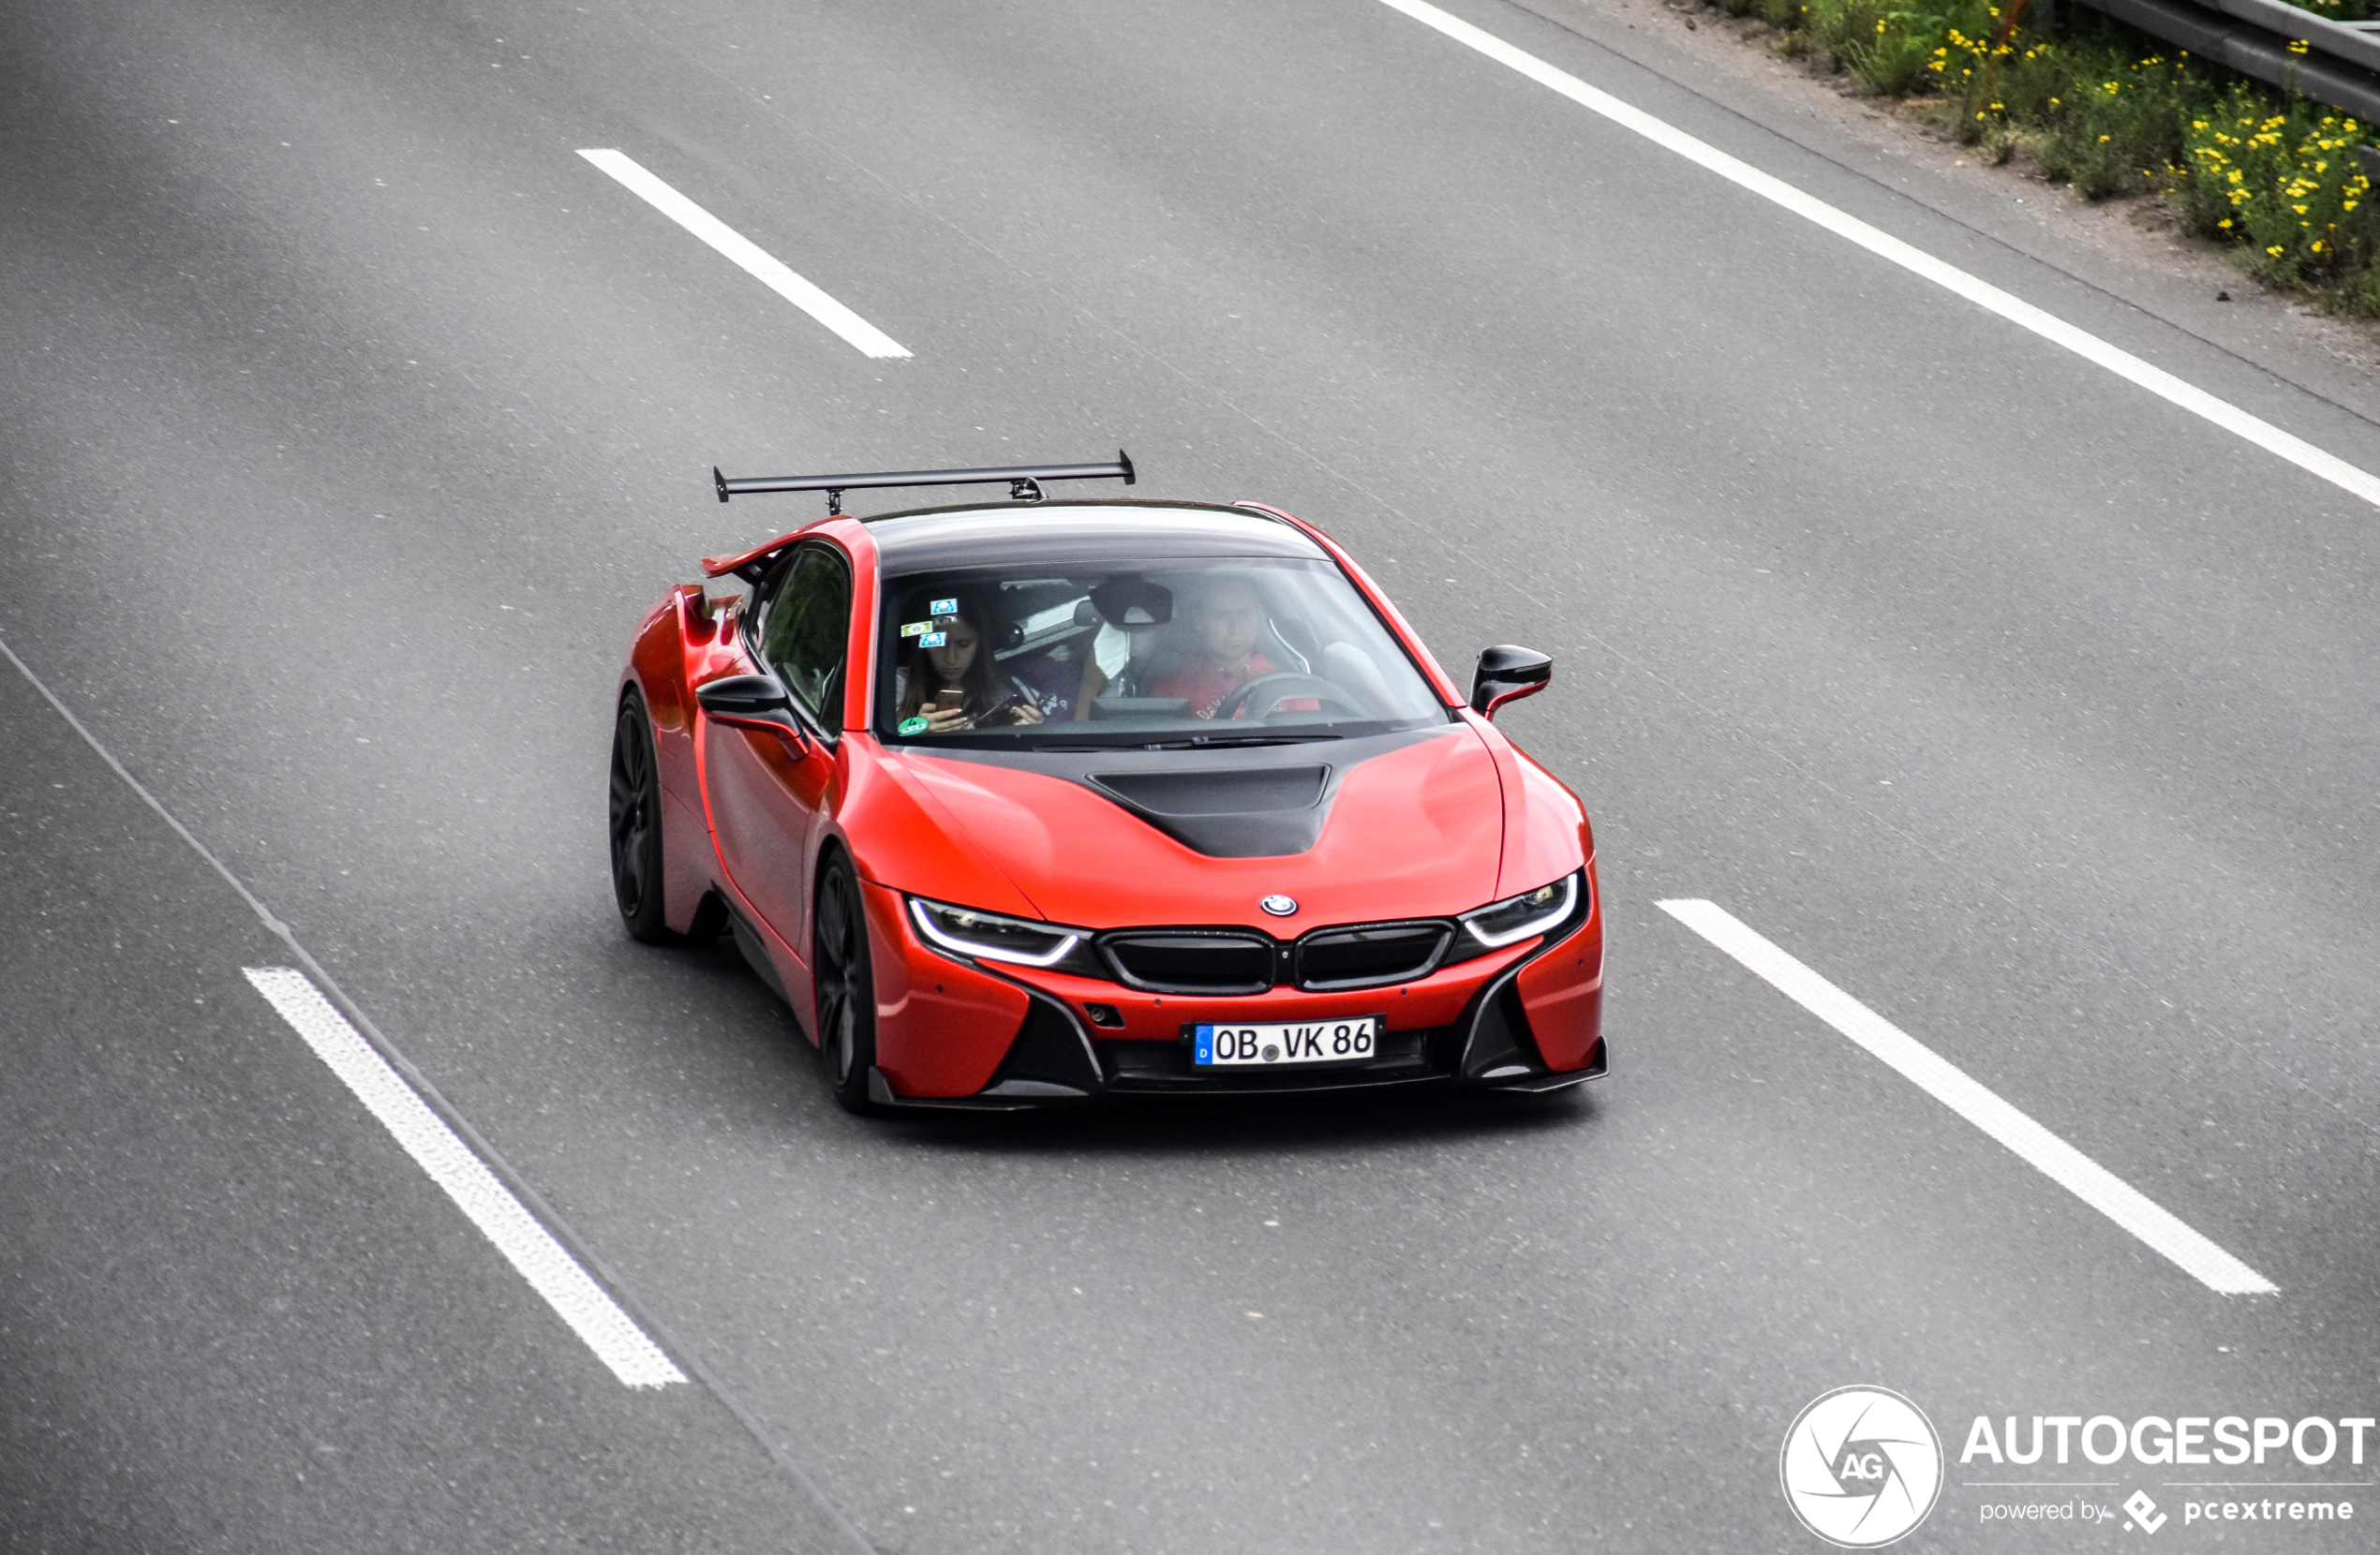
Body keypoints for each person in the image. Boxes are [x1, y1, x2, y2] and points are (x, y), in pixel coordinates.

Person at [1149, 574, 1310, 719]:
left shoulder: (1291, 686)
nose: (1235, 628)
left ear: (1257, 618)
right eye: (1221, 616)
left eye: (1244, 614)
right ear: (1198, 621)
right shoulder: (1172, 689)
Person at [892, 596, 1048, 733]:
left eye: (964, 644)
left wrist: (1031, 733)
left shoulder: (998, 696)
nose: (951, 659)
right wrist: (913, 733)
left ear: (979, 646)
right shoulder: (894, 687)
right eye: (939, 644)